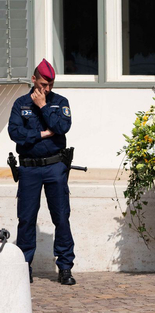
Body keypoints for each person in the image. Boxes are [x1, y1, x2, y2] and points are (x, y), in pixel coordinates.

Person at [7, 59, 76, 285]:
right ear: (33, 79)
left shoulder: (58, 102)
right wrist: (43, 134)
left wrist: (44, 106)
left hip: (55, 166)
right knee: (26, 219)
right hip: (29, 168)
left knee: (61, 217)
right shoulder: (20, 103)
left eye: (50, 84)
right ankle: (24, 266)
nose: (46, 89)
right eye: (43, 84)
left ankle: (65, 267)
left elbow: (62, 127)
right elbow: (15, 134)